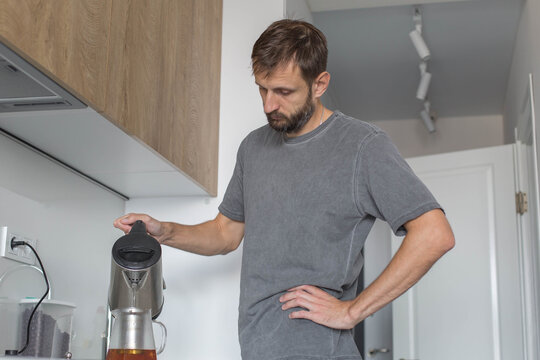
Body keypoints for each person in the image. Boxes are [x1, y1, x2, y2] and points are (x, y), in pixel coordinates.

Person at [114, 19, 455, 360]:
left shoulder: (362, 147)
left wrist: (352, 310)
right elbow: (225, 233)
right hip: (256, 348)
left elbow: (434, 234)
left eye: (284, 92)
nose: (268, 105)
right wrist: (166, 231)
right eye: (263, 88)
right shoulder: (253, 148)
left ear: (319, 84)